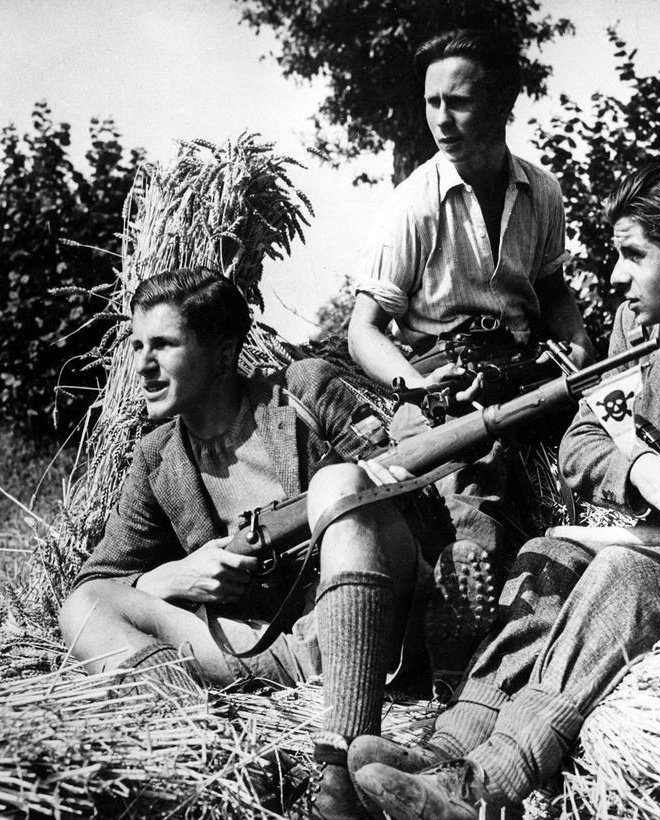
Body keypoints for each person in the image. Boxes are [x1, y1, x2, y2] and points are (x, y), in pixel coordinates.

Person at [347, 159, 660, 819]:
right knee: (546, 557)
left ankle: (488, 784)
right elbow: (581, 443)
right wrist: (639, 468)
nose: (615, 276)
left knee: (625, 574)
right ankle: (451, 746)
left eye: (631, 255)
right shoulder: (637, 336)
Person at [58, 268, 450, 819]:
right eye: (136, 345)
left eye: (164, 345)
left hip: (373, 625)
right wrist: (174, 575)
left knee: (339, 485)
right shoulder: (156, 459)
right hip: (271, 651)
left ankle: (342, 770)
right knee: (83, 607)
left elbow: (406, 482)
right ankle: (195, 748)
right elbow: (99, 579)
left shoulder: (304, 392)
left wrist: (358, 493)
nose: (142, 365)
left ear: (222, 354)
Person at [349, 28, 592, 399]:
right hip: (447, 377)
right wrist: (419, 385)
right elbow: (362, 330)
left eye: (458, 101)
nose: (441, 119)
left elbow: (553, 291)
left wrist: (577, 342)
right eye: (432, 102)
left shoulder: (543, 191)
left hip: (527, 372)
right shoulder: (411, 205)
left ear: (502, 103)